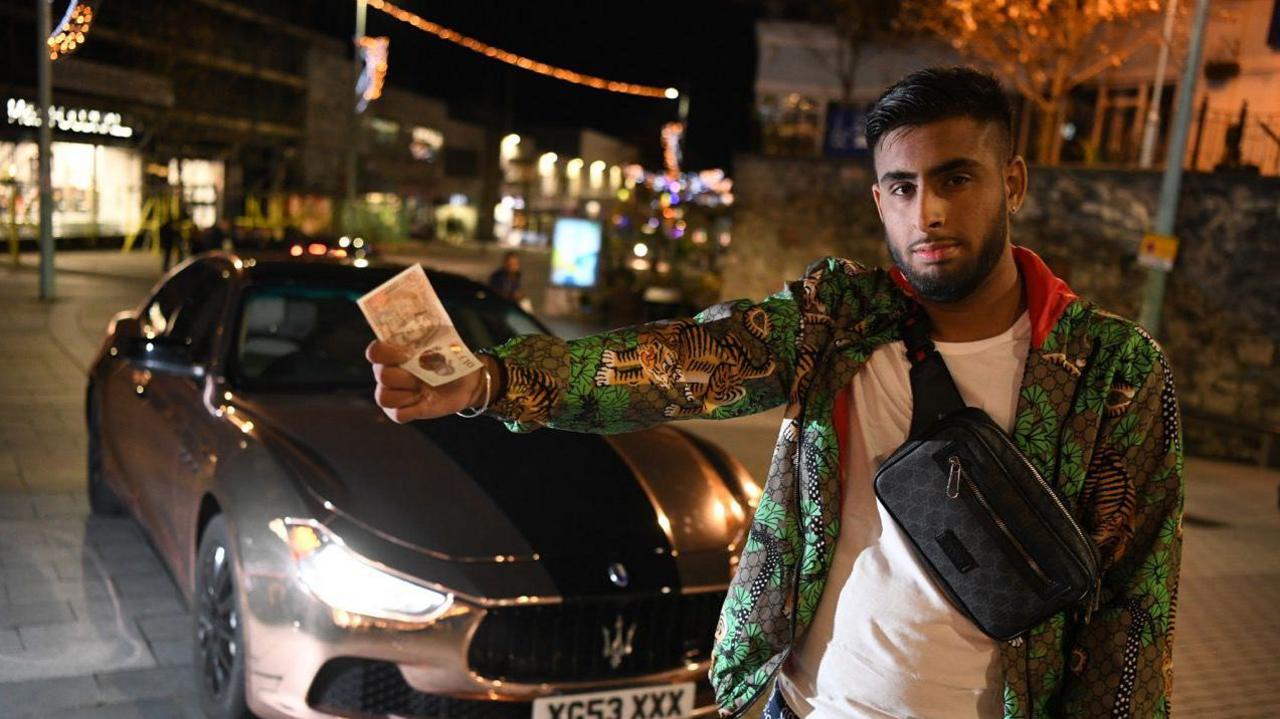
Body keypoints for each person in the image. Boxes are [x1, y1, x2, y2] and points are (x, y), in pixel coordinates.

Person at [366, 68, 1183, 719]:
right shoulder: (840, 322)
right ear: (878, 200)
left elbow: (1135, 618)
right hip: (807, 704)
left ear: (1013, 181)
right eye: (901, 187)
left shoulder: (1111, 373)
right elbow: (672, 362)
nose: (926, 211)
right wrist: (494, 380)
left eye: (955, 178)